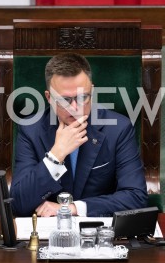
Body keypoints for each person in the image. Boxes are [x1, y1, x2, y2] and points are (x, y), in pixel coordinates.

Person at [10, 53, 148, 217]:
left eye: (83, 97)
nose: (75, 107)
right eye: (64, 100)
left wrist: (73, 208)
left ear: (92, 91)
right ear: (49, 97)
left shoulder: (119, 129)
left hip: (99, 232)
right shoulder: (30, 130)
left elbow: (136, 197)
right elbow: (18, 203)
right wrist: (56, 156)